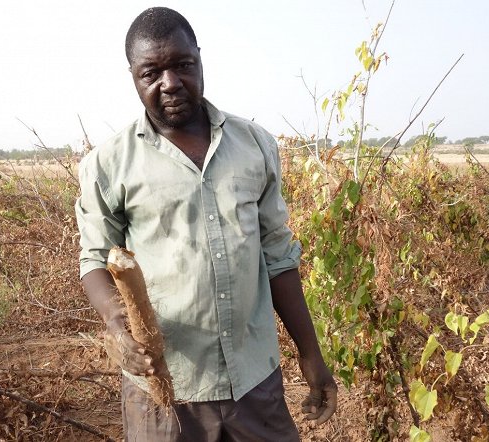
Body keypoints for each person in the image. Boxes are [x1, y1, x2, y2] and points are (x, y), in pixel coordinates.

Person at [75, 7, 337, 441]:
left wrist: (311, 357)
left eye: (182, 65)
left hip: (255, 382)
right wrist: (117, 323)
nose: (170, 82)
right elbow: (95, 259)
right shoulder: (108, 164)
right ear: (133, 77)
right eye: (151, 72)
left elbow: (278, 258)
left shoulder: (254, 144)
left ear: (199, 59)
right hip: (166, 390)